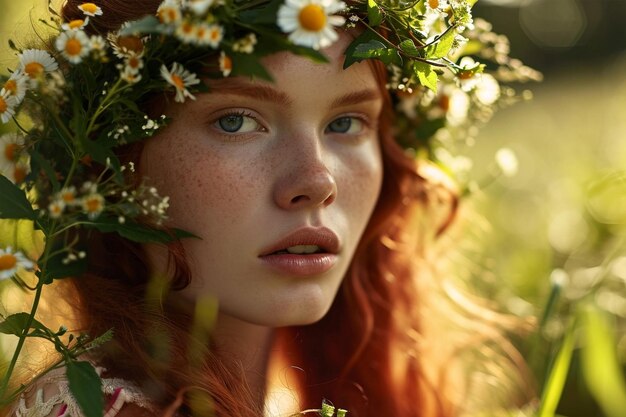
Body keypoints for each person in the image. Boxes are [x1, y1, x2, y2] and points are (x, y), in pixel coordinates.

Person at [0, 1, 534, 416]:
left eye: (346, 123)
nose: (316, 182)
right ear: (110, 163)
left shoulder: (310, 393)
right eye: (235, 120)